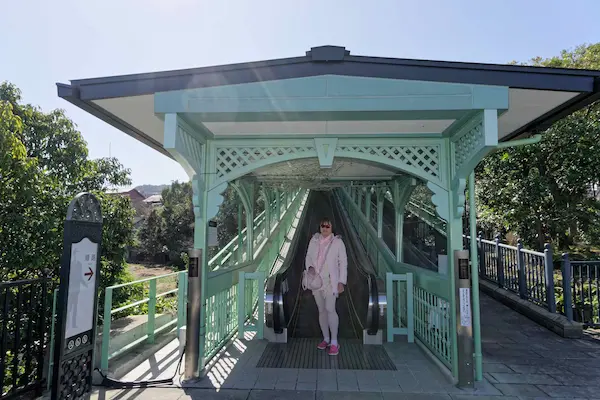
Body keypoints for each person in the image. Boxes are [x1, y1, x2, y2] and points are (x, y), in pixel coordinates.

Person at [304, 217, 348, 356]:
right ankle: (326, 338)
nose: (324, 228)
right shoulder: (314, 240)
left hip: (330, 281)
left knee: (330, 309)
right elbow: (308, 257)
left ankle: (334, 342)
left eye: (327, 226)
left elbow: (343, 262)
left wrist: (342, 281)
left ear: (332, 228)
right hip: (317, 281)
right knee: (321, 310)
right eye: (322, 226)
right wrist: (310, 267)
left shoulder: (338, 242)